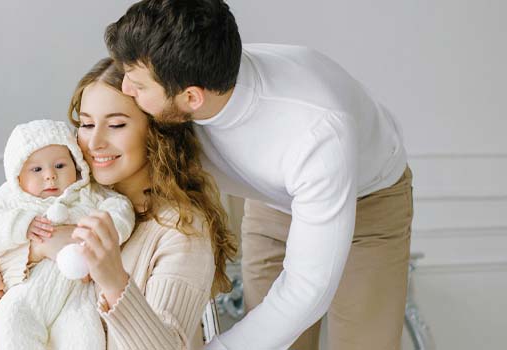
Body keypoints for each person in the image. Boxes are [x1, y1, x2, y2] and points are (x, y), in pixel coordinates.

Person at [105, 1, 414, 349]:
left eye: (138, 85)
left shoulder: (315, 131)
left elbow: (307, 289)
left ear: (192, 97)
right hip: (271, 199)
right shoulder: (185, 71)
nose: (126, 90)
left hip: (369, 201)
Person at [0, 57, 238, 349]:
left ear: (156, 133)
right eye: (86, 124)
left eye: (116, 125)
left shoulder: (181, 230)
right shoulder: (71, 186)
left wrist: (115, 281)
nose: (94, 142)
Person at [0, 119, 136, 350]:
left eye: (60, 166)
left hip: (76, 298)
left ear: (76, 166)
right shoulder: (12, 201)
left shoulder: (89, 195)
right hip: (28, 292)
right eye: (36, 169)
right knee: (10, 326)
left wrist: (98, 233)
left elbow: (120, 211)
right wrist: (21, 225)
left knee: (84, 338)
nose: (50, 176)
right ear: (17, 176)